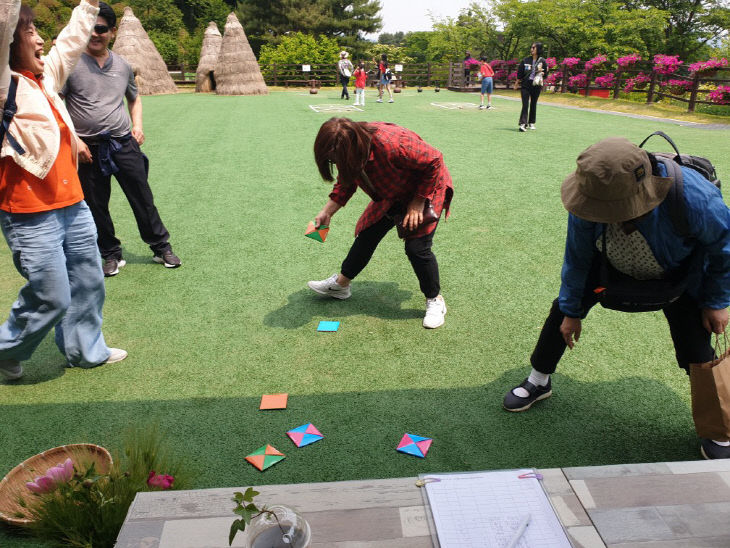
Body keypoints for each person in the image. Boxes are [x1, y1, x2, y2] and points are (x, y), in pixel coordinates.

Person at [502, 137, 730, 460]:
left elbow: (724, 244)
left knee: (696, 345)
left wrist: (717, 300)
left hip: (678, 273)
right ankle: (538, 380)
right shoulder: (589, 195)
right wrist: (572, 310)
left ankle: (717, 427)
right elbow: (577, 258)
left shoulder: (692, 195)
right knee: (561, 314)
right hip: (609, 264)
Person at [0, 0, 126, 380]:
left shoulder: (44, 80)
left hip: (73, 204)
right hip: (28, 213)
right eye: (29, 32)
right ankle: (6, 350)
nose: (41, 39)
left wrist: (88, 6)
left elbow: (70, 42)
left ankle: (85, 350)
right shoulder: (4, 84)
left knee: (88, 282)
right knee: (52, 295)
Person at [61, 2, 181, 277]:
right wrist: (74, 140)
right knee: (96, 203)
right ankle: (110, 253)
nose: (95, 34)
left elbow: (134, 98)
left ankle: (161, 247)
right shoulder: (70, 65)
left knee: (142, 196)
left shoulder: (123, 66)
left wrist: (137, 125)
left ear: (112, 32)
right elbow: (57, 103)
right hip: (87, 147)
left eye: (101, 29)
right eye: (90, 28)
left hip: (123, 142)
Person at [307, 118, 453, 329]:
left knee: (417, 248)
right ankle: (341, 285)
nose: (337, 165)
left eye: (338, 160)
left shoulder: (393, 143)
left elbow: (434, 160)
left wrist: (418, 201)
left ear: (353, 149)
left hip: (425, 189)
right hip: (391, 191)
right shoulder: (348, 149)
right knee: (367, 234)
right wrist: (326, 212)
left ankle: (435, 300)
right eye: (332, 161)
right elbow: (346, 183)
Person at [516, 42, 547, 132]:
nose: (532, 49)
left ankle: (531, 122)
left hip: (536, 85)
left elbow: (546, 75)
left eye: (534, 47)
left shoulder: (543, 61)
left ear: (538, 49)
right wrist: (517, 82)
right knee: (525, 104)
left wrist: (542, 73)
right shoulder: (525, 60)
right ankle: (523, 124)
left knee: (533, 103)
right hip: (526, 84)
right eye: (531, 47)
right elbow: (520, 73)